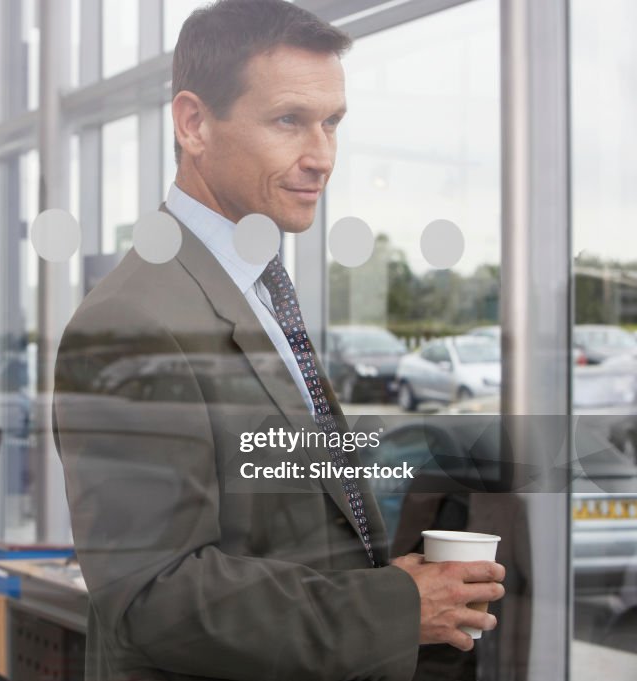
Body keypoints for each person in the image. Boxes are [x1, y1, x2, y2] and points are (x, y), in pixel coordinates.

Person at [52, 2, 506, 680]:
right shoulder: (129, 322)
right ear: (194, 123)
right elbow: (154, 597)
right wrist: (393, 607)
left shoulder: (260, 290)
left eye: (332, 124)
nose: (321, 156)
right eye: (289, 120)